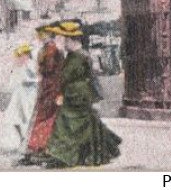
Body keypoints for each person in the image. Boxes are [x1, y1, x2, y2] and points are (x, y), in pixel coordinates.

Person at [44, 21, 122, 168]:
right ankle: (81, 154)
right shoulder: (80, 55)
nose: (62, 42)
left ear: (70, 39)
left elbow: (65, 76)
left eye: (64, 39)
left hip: (75, 96)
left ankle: (65, 155)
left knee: (66, 124)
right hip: (79, 95)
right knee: (84, 124)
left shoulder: (75, 58)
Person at [25, 24, 66, 163]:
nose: (39, 38)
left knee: (47, 116)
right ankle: (41, 145)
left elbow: (49, 68)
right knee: (44, 116)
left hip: (52, 86)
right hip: (47, 86)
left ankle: (43, 146)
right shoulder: (47, 49)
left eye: (42, 35)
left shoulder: (51, 50)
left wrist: (39, 69)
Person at [5, 43, 39, 153]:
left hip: (29, 93)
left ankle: (29, 141)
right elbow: (12, 81)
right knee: (15, 117)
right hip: (19, 94)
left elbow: (36, 78)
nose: (22, 56)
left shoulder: (31, 64)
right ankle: (23, 139)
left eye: (24, 54)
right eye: (21, 54)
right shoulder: (19, 65)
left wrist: (29, 80)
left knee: (27, 116)